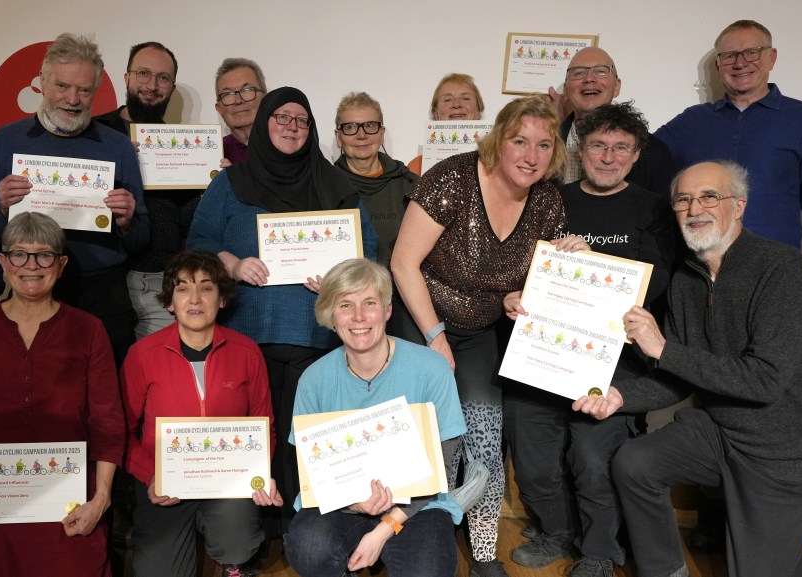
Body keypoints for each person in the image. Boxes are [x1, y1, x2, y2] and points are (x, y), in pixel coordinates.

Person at [577, 160, 802, 577]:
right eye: (683, 200)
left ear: (739, 206)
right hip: (721, 433)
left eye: (709, 197)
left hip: (788, 454)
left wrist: (663, 348)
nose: (694, 208)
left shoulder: (783, 269)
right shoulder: (685, 279)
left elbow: (764, 380)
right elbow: (675, 377)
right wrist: (619, 396)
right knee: (634, 463)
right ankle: (666, 571)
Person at [392, 94, 579, 577]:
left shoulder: (548, 200)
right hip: (419, 317)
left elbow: (531, 282)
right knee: (420, 434)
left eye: (543, 145)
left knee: (484, 438)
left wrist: (530, 289)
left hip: (479, 329)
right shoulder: (452, 177)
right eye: (520, 141)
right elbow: (403, 262)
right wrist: (434, 337)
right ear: (498, 140)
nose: (531, 155)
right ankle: (406, 535)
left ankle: (482, 551)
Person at [188, 86, 378, 528]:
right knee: (253, 437)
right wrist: (233, 264)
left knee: (311, 440)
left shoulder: (336, 185)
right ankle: (253, 534)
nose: (292, 127)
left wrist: (340, 278)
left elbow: (368, 250)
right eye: (282, 117)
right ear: (264, 123)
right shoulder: (229, 183)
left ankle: (308, 528)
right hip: (246, 339)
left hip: (318, 341)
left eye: (301, 120)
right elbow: (198, 244)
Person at [503, 102, 675, 577]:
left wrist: (592, 260)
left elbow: (657, 282)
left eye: (621, 148)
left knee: (594, 458)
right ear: (581, 150)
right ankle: (558, 531)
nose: (608, 157)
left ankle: (599, 551)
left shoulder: (654, 208)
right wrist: (514, 294)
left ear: (636, 155)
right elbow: (517, 263)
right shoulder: (548, 198)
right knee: (534, 460)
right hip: (542, 350)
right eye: (598, 145)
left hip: (616, 360)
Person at [0, 212, 124, 577]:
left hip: (67, 497)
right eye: (19, 254)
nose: (31, 265)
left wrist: (100, 499)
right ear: (3, 262)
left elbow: (107, 422)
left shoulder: (89, 330)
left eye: (44, 255)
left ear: (61, 265)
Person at [284, 259, 467, 577]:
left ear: (387, 310)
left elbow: (444, 467)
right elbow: (310, 471)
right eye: (345, 305)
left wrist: (383, 529)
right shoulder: (313, 379)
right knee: (308, 547)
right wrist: (354, 503)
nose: (358, 316)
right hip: (340, 503)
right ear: (330, 315)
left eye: (369, 303)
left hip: (417, 506)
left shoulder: (431, 368)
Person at [0, 33, 148, 366]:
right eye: (62, 86)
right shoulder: (6, 140)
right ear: (42, 83)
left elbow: (141, 240)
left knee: (106, 391)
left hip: (103, 294)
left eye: (84, 90)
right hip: (31, 290)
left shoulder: (118, 146)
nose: (72, 99)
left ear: (95, 91)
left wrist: (128, 221)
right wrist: (1, 207)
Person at [120, 250, 278, 577]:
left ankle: (234, 564)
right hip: (165, 485)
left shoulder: (247, 352)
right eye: (183, 288)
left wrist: (258, 474)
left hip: (228, 482)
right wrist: (150, 475)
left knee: (238, 543)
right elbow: (122, 431)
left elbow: (265, 427)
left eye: (206, 288)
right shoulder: (142, 355)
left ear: (222, 299)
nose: (195, 299)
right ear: (169, 302)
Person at [655, 20, 802, 299]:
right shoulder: (692, 121)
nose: (740, 63)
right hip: (699, 278)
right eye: (729, 55)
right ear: (718, 65)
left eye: (751, 52)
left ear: (771, 57)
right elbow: (631, 152)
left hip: (774, 279)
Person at [95, 41, 202, 340]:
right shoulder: (94, 133)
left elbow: (186, 221)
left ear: (172, 87)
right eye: (143, 73)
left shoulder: (182, 147)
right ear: (126, 77)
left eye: (163, 78)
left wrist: (213, 184)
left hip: (159, 283)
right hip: (101, 282)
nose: (152, 85)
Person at [332, 91, 420, 341]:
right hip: (348, 305)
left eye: (369, 126)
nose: (361, 135)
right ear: (338, 137)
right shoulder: (325, 186)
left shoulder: (411, 185)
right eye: (350, 127)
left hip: (404, 301)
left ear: (381, 133)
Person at [551, 47, 676, 192]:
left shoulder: (654, 152)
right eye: (578, 73)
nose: (589, 79)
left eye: (601, 71)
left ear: (616, 86)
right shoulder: (545, 143)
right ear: (566, 89)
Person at [407, 73, 486, 175]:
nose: (456, 104)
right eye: (448, 100)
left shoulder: (497, 164)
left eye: (465, 98)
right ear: (436, 113)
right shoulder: (417, 166)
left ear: (478, 111)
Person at [214, 58, 267, 166]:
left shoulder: (287, 145)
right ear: (219, 109)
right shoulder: (213, 153)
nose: (238, 101)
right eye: (228, 94)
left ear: (265, 99)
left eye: (247, 90)